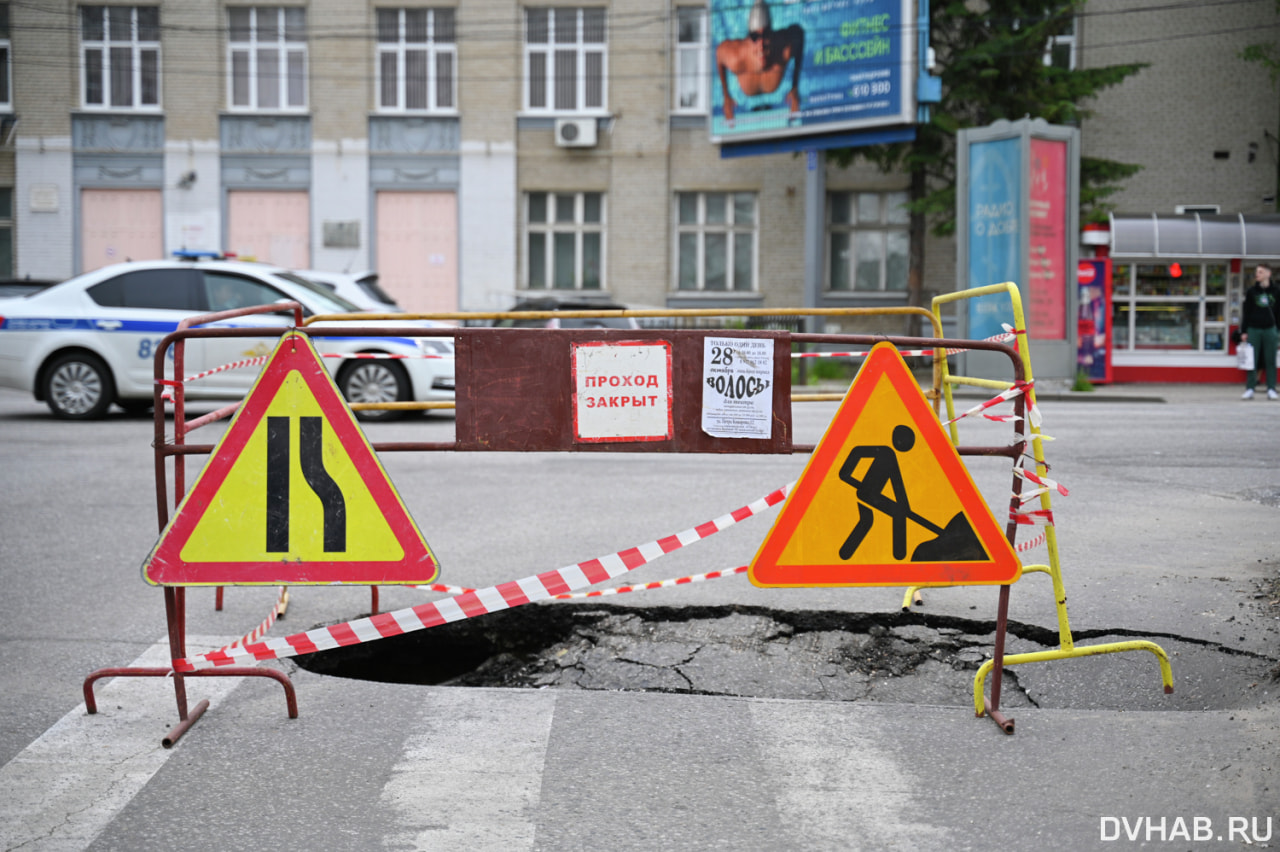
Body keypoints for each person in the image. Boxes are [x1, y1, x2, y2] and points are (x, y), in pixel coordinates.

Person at [715, 0, 804, 125]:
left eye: (766, 35)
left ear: (772, 34)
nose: (761, 45)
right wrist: (726, 96)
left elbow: (800, 34)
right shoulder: (736, 57)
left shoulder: (784, 48)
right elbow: (719, 54)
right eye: (755, 37)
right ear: (749, 37)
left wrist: (794, 87)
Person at [1240, 263, 1279, 400]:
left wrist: (1278, 331)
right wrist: (1244, 331)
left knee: (1270, 359)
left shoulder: (1276, 291)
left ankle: (1271, 389)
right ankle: (1250, 388)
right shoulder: (1252, 292)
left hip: (1270, 329)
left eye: (1261, 272)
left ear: (1268, 274)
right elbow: (1247, 312)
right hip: (1254, 329)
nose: (1258, 274)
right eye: (1257, 272)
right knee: (1252, 359)